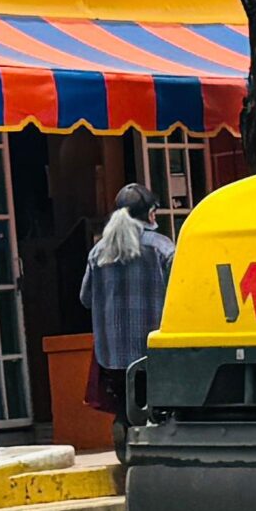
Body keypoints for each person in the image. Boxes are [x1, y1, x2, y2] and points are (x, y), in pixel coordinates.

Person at [80, 183, 176, 451]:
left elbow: (85, 299)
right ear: (148, 215)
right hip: (151, 351)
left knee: (124, 403)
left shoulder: (98, 252)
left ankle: (124, 426)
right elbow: (178, 295)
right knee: (154, 404)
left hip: (111, 356)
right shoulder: (161, 248)